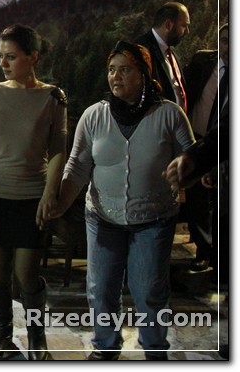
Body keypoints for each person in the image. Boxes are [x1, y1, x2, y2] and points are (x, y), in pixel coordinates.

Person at [55, 41, 194, 360]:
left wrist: (186, 170)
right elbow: (77, 165)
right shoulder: (94, 115)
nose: (115, 76)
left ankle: (155, 351)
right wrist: (59, 203)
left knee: (149, 291)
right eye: (111, 69)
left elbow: (192, 157)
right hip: (103, 218)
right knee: (101, 289)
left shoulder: (169, 114)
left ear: (143, 73)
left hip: (154, 219)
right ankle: (105, 347)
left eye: (125, 69)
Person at [0, 24, 66, 361]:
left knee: (26, 273)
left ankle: (36, 335)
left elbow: (59, 148)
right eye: (1, 56)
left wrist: (50, 192)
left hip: (33, 194)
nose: (3, 63)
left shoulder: (53, 97)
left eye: (11, 56)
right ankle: (3, 333)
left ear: (32, 57)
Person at [179, 23, 228, 272]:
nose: (229, 46)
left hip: (225, 144)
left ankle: (221, 258)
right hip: (197, 137)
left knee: (222, 201)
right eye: (225, 40)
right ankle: (203, 251)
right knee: (197, 199)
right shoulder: (202, 61)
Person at [134, 1, 191, 112]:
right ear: (168, 25)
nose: (187, 32)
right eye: (184, 26)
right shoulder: (141, 50)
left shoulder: (171, 53)